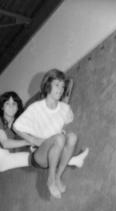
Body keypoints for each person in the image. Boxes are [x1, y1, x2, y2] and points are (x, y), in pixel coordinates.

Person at [14, 68, 82, 199]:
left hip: (57, 151)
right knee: (60, 138)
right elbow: (16, 127)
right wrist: (33, 140)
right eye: (57, 85)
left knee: (72, 137)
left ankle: (57, 177)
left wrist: (62, 107)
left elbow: (66, 119)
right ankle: (50, 179)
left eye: (63, 86)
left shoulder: (65, 108)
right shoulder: (35, 108)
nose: (61, 89)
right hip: (40, 156)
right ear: (47, 85)